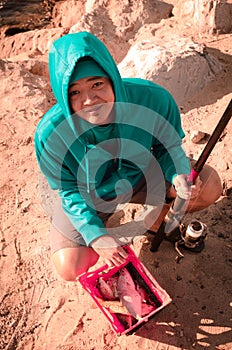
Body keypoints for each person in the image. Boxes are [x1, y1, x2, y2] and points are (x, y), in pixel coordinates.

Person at [34, 31, 222, 281]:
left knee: (209, 186)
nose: (89, 100)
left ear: (112, 78)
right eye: (75, 92)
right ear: (63, 96)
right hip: (89, 194)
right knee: (70, 266)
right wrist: (96, 236)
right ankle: (102, 228)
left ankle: (156, 221)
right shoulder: (50, 135)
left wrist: (177, 174)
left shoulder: (152, 99)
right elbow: (69, 191)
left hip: (143, 175)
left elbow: (167, 146)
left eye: (97, 84)